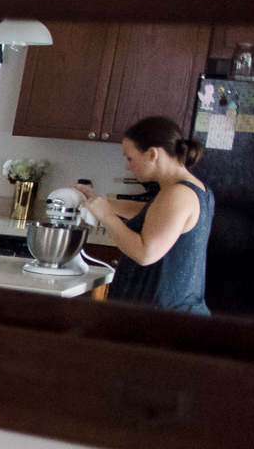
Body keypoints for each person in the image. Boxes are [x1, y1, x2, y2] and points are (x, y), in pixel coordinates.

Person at [79, 115, 214, 314]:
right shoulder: (183, 190)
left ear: (152, 154)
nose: (127, 166)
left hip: (162, 322)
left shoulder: (178, 194)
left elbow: (145, 253)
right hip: (164, 316)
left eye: (130, 158)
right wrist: (96, 201)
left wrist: (107, 216)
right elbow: (150, 214)